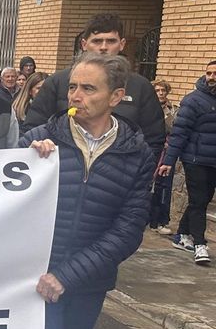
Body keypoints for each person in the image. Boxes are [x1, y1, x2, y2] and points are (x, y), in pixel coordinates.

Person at [17, 53, 153, 329]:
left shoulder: (136, 153)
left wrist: (68, 275)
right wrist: (25, 159)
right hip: (38, 280)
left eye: (89, 88)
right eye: (73, 86)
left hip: (86, 282)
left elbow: (128, 230)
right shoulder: (40, 139)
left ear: (117, 97)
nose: (76, 95)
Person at [26, 14, 164, 155]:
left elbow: (153, 140)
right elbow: (33, 129)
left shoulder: (141, 86)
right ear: (84, 44)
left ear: (122, 44)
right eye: (97, 41)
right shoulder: (57, 81)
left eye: (111, 41)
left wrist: (135, 165)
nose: (103, 47)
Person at [159, 61, 216, 265]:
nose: (212, 77)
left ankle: (182, 234)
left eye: (215, 73)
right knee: (199, 200)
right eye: (209, 73)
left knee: (201, 200)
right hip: (195, 159)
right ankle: (200, 244)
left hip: (213, 161)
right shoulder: (193, 100)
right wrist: (169, 160)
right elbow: (179, 133)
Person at [148, 80, 177, 235]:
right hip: (150, 150)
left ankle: (159, 221)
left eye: (163, 90)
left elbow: (174, 128)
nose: (160, 93)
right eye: (157, 90)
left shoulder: (172, 109)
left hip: (166, 152)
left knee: (163, 186)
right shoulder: (148, 108)